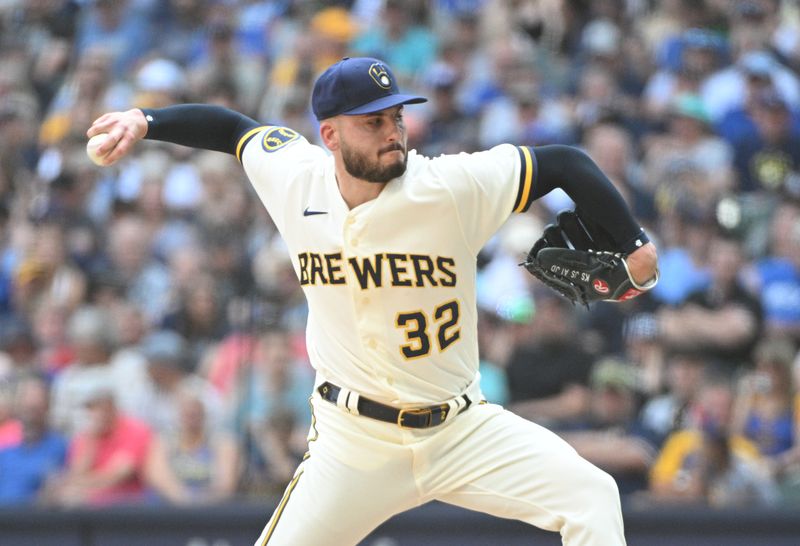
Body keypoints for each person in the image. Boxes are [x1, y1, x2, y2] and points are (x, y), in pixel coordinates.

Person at [88, 56, 658, 545]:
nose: (394, 132)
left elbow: (566, 164)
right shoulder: (295, 176)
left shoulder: (448, 188)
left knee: (592, 496)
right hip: (353, 444)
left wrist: (634, 245)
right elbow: (233, 130)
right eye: (373, 122)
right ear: (330, 135)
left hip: (461, 430)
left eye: (397, 116)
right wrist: (145, 120)